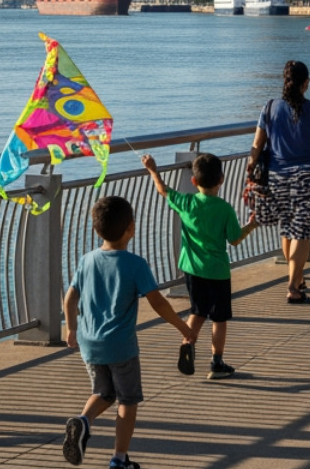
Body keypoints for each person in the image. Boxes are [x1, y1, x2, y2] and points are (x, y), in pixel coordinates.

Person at [62, 196, 194, 469]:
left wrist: (72, 328)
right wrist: (183, 327)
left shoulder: (87, 260)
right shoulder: (135, 264)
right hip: (120, 345)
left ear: (96, 229)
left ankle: (83, 421)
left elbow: (70, 298)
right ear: (131, 228)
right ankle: (119, 459)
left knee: (103, 392)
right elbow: (158, 302)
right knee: (128, 399)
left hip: (90, 343)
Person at [140, 152, 257, 380]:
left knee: (197, 311)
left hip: (192, 269)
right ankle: (217, 362)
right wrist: (252, 225)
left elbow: (162, 189)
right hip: (217, 271)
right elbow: (234, 239)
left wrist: (153, 169)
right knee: (219, 319)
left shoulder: (186, 202)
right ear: (221, 179)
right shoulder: (224, 209)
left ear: (194, 181)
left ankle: (188, 343)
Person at [248, 60, 310, 302]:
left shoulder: (269, 108)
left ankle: (298, 278)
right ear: (306, 83)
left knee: (287, 228)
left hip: (276, 177)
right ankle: (293, 286)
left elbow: (256, 146)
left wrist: (250, 173)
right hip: (306, 178)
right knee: (301, 231)